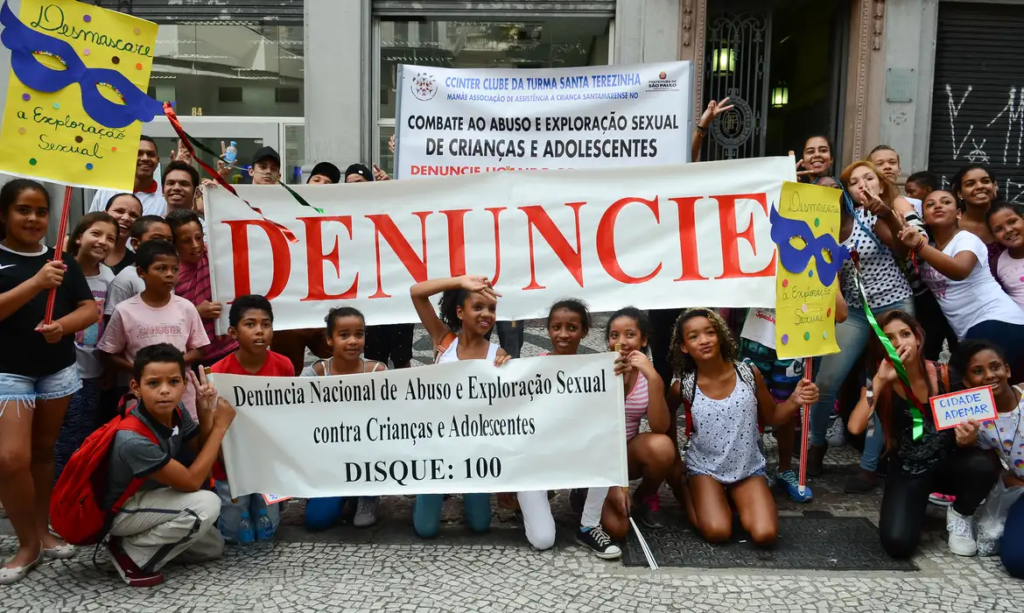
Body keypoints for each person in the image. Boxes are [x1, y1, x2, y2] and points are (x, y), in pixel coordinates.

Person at [0, 179, 99, 584]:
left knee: (43, 453)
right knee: (11, 459)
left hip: (56, 371)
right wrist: (37, 283)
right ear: (4, 214)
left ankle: (42, 532)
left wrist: (63, 326)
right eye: (23, 210)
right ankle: (26, 545)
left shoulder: (63, 260)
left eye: (41, 211)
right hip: (8, 373)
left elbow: (89, 309)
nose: (33, 219)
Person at [845, 311, 1000, 558]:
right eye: (889, 338)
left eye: (905, 334)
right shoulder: (881, 382)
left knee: (982, 465)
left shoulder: (946, 375)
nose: (899, 342)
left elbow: (970, 427)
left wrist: (967, 438)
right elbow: (855, 427)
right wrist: (880, 380)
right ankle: (914, 505)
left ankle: (960, 514)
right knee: (897, 544)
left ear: (918, 338)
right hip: (909, 469)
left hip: (949, 463)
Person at [807, 161, 917, 485]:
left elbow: (901, 249)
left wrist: (886, 214)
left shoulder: (868, 216)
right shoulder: (817, 230)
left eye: (834, 189)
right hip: (853, 312)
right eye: (821, 192)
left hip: (893, 307)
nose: (829, 195)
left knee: (881, 384)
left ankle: (869, 465)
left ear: (844, 194)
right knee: (826, 380)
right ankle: (816, 444)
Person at [670, 308, 818, 546]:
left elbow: (773, 416)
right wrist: (675, 461)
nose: (704, 340)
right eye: (694, 336)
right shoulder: (685, 385)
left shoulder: (748, 373)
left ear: (720, 336)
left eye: (710, 332)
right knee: (717, 532)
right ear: (684, 346)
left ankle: (731, 499)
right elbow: (665, 417)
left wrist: (795, 400)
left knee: (765, 534)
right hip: (705, 469)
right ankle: (688, 491)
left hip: (747, 469)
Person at [104, 344, 234, 587]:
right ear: (136, 388)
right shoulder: (133, 439)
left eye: (173, 382)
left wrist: (204, 410)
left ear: (184, 384)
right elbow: (192, 481)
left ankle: (133, 542)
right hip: (120, 511)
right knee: (206, 505)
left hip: (152, 500)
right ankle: (129, 555)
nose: (165, 390)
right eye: (153, 383)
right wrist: (220, 427)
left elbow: (203, 453)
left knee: (211, 547)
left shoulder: (176, 410)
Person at [409, 276, 522, 542]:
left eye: (492, 309)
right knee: (426, 529)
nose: (486, 314)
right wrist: (460, 281)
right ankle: (428, 494)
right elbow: (416, 293)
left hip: (475, 450)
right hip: (437, 446)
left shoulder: (497, 353)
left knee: (480, 524)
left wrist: (505, 368)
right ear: (460, 312)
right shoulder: (444, 341)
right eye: (478, 307)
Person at [737, 291, 848, 503]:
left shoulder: (822, 267)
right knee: (747, 404)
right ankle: (751, 468)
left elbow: (841, 314)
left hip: (794, 343)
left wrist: (826, 275)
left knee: (788, 405)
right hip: (756, 335)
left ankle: (785, 470)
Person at [898, 190, 1024, 372]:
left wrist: (919, 245)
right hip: (971, 329)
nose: (938, 206)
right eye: (930, 204)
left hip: (996, 321)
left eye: (946, 202)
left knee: (977, 385)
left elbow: (959, 270)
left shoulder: (966, 239)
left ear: (958, 213)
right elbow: (897, 199)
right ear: (923, 218)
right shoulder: (930, 246)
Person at [209, 295, 293, 542]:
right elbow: (214, 426)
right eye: (250, 324)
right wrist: (226, 462)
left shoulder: (284, 366)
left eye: (266, 325)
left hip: (268, 460)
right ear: (233, 332)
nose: (259, 331)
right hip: (230, 462)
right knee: (235, 534)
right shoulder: (218, 372)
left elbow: (291, 416)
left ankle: (266, 506)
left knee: (267, 529)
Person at [541, 299, 620, 559]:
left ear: (584, 331)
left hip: (578, 450)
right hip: (539, 456)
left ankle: (589, 525)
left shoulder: (597, 369)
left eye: (572, 327)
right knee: (542, 539)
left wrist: (622, 375)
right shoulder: (533, 367)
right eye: (556, 327)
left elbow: (611, 415)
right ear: (548, 330)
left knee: (605, 446)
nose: (563, 334)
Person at [97, 240, 209, 420]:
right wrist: (141, 369)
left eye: (174, 269)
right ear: (141, 272)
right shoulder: (125, 311)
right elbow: (108, 353)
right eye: (161, 268)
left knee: (186, 435)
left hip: (184, 400)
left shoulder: (186, 308)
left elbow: (199, 350)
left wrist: (172, 365)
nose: (169, 274)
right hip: (142, 399)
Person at [300, 307, 386, 530]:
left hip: (368, 457)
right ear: (330, 339)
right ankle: (341, 495)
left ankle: (368, 496)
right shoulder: (315, 374)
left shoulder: (378, 371)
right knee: (316, 520)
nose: (353, 341)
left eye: (359, 334)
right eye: (344, 335)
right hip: (329, 461)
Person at [597, 307, 674, 537]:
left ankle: (645, 494)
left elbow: (660, 427)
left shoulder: (647, 374)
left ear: (644, 340)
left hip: (627, 455)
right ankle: (586, 491)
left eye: (630, 335)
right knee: (618, 529)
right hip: (598, 456)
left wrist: (653, 378)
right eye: (614, 335)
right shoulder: (596, 370)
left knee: (662, 446)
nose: (622, 342)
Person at [53, 212, 118, 481]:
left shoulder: (108, 277)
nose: (103, 241)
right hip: (60, 368)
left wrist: (109, 368)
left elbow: (110, 323)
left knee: (83, 432)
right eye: (96, 233)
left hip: (92, 371)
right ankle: (56, 489)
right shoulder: (58, 269)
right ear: (79, 236)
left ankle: (72, 489)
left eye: (111, 238)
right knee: (61, 436)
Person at [953, 340, 1024, 571]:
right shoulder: (977, 423)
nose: (989, 375)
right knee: (1016, 561)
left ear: (1008, 370)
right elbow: (996, 470)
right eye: (977, 371)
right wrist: (966, 443)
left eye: (995, 367)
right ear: (967, 381)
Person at [166, 209, 237, 368]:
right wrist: (196, 312)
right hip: (198, 357)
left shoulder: (212, 253)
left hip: (232, 346)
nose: (195, 245)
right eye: (186, 241)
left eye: (198, 238)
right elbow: (163, 318)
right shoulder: (170, 273)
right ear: (174, 243)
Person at [104, 216, 173, 322]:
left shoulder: (170, 274)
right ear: (136, 243)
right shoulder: (126, 278)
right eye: (157, 239)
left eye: (169, 240)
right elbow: (112, 321)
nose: (164, 245)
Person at [88, 136, 167, 216]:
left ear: (157, 160)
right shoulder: (106, 191)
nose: (145, 158)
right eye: (138, 153)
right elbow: (90, 222)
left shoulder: (165, 198)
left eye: (151, 154)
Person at [952, 164, 1003, 275]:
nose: (980, 186)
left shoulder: (1009, 222)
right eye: (970, 184)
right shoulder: (951, 226)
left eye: (985, 181)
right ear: (959, 193)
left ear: (994, 187)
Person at [987, 200, 1024, 311]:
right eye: (999, 229)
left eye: (1012, 222)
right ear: (993, 236)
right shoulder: (996, 264)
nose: (1008, 230)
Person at [102, 194, 144, 275]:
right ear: (104, 214)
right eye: (119, 211)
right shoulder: (83, 253)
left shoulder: (137, 266)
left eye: (133, 215)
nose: (126, 218)